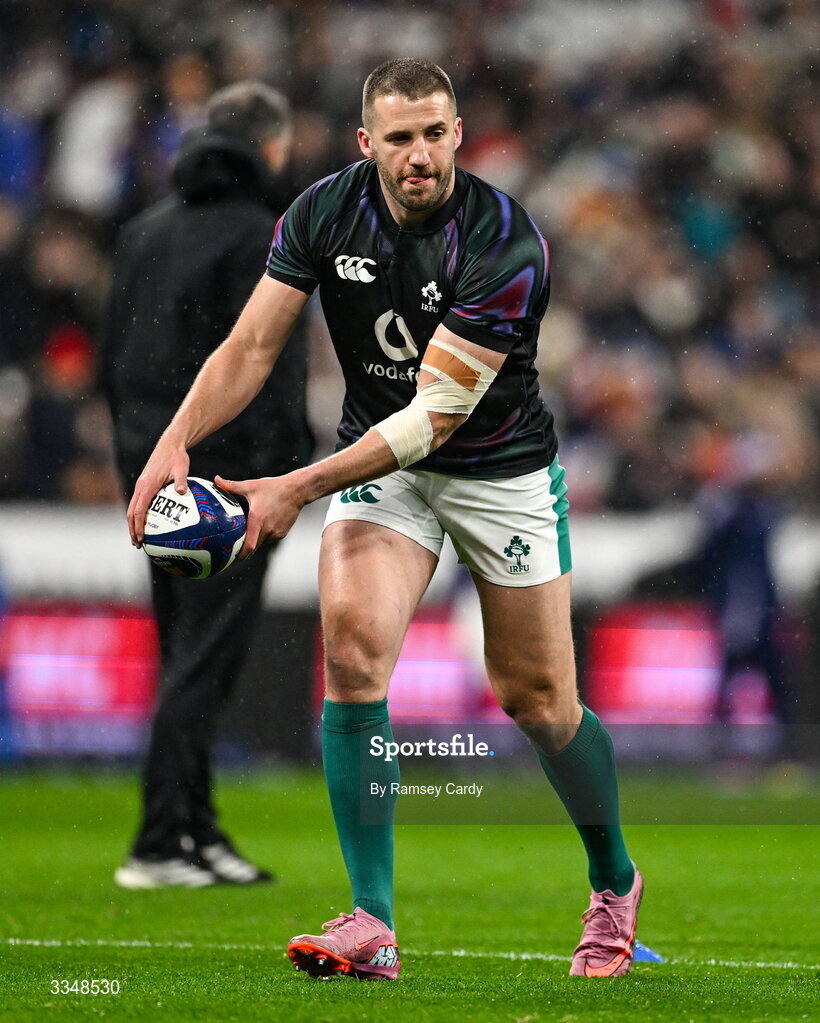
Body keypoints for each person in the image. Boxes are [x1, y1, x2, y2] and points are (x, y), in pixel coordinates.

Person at [127, 58, 643, 975]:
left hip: (497, 469)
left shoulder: (502, 240)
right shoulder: (323, 211)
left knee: (538, 700)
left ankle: (613, 881)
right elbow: (252, 343)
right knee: (354, 650)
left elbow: (430, 419)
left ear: (457, 134)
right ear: (369, 143)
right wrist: (177, 439)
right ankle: (371, 920)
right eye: (399, 137)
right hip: (384, 467)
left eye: (434, 133)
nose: (418, 155)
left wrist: (289, 486)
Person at [102, 81, 312, 888]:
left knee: (182, 655)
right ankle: (159, 841)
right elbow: (269, 365)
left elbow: (115, 362)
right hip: (233, 486)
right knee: (206, 664)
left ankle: (194, 829)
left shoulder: (142, 233)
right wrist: (281, 472)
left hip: (154, 479)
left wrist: (136, 463)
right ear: (271, 146)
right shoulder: (263, 234)